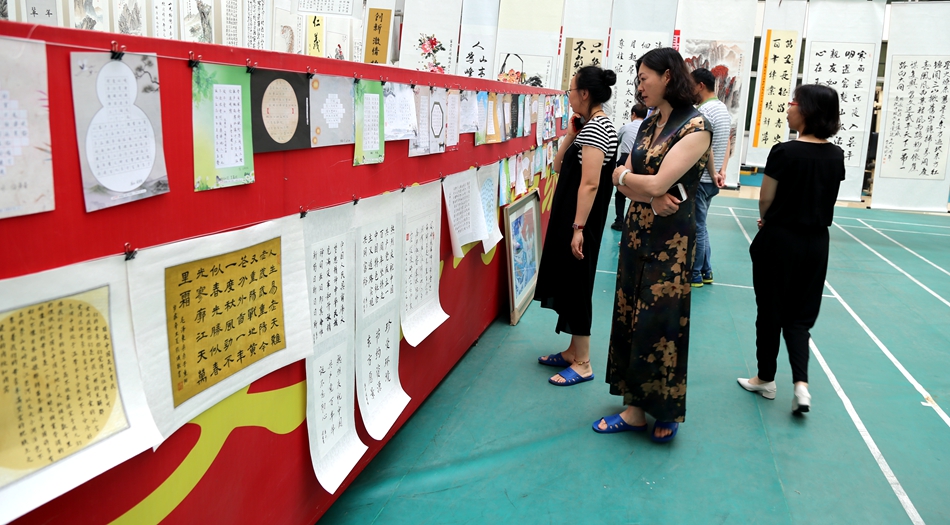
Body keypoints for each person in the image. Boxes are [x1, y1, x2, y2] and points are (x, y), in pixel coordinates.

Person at [593, 47, 711, 443]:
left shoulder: (696, 128)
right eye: (638, 79)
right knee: (629, 313)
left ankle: (664, 408)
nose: (639, 86)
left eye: (645, 78)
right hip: (637, 232)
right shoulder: (647, 123)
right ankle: (633, 410)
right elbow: (624, 177)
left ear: (667, 77)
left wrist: (633, 181)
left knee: (660, 321)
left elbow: (657, 182)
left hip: (671, 242)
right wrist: (642, 189)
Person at [738, 84, 845, 414]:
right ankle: (801, 385)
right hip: (817, 243)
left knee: (770, 311)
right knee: (800, 318)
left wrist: (768, 219)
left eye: (793, 103)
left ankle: (765, 379)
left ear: (808, 110)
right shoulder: (836, 155)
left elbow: (766, 198)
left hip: (780, 240)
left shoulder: (784, 152)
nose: (788, 107)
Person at [534, 66, 618, 387]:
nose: (568, 96)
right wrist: (570, 134)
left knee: (579, 285)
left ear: (584, 93)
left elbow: (591, 183)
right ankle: (572, 351)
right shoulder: (588, 127)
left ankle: (583, 363)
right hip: (572, 218)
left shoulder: (598, 129)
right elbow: (557, 166)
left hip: (581, 221)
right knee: (570, 281)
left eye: (571, 90)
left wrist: (578, 228)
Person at [689, 68, 730, 287]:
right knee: (702, 226)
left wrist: (714, 172)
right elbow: (728, 141)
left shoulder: (703, 111)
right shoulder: (722, 109)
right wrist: (723, 171)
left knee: (697, 228)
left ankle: (695, 273)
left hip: (703, 179)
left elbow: (707, 147)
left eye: (691, 85)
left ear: (700, 86)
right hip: (712, 179)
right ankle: (706, 270)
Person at [611, 104, 648, 231]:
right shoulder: (648, 129)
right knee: (641, 191)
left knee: (620, 191)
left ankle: (619, 221)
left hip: (625, 158)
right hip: (642, 161)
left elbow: (615, 143)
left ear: (633, 114)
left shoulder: (626, 127)